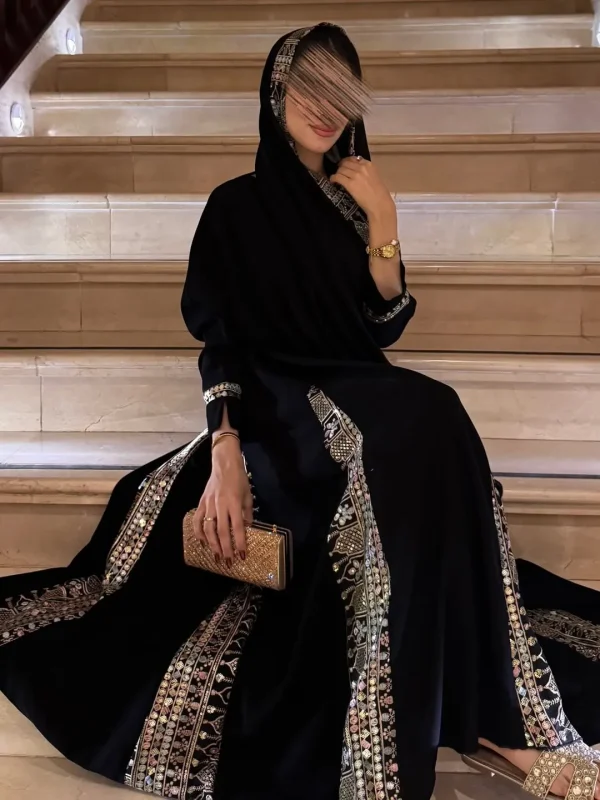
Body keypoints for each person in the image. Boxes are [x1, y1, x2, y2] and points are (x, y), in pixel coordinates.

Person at [0, 22, 599, 800]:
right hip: (272, 401)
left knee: (436, 413)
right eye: (305, 89)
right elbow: (220, 341)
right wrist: (224, 451)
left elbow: (381, 327)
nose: (322, 109)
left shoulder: (354, 203)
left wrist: (384, 222)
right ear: (274, 93)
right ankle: (459, 723)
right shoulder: (235, 206)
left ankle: (493, 713)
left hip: (355, 380)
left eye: (338, 94)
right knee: (391, 443)